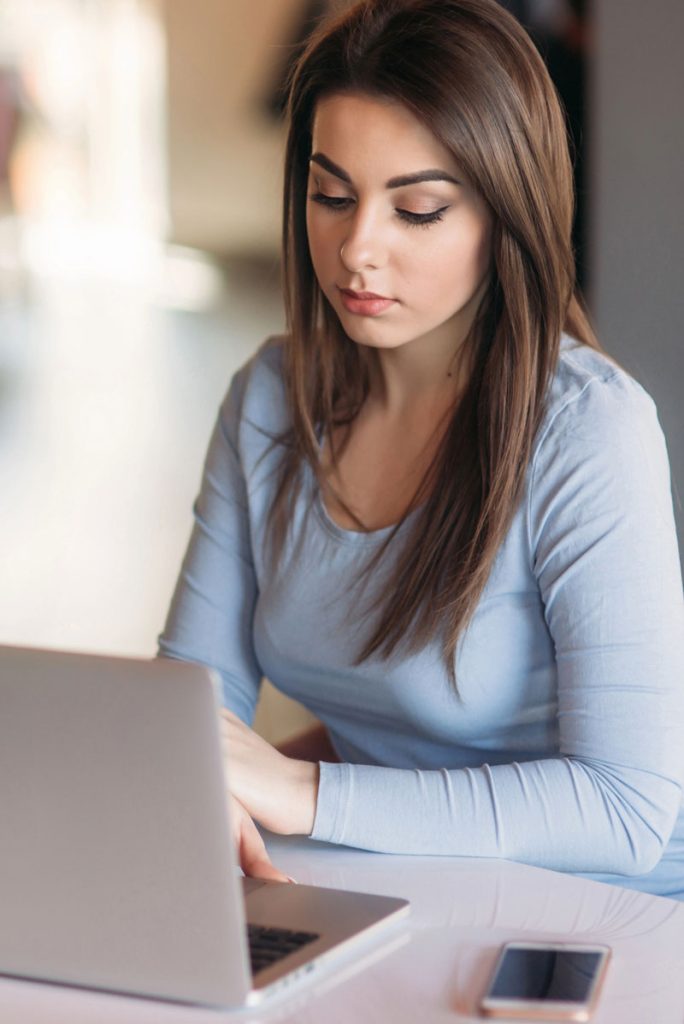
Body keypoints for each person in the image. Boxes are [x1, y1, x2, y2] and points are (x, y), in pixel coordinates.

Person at [159, 0, 684, 898]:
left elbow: (627, 811)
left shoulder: (590, 429)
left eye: (419, 210)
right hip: (389, 884)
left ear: (503, 215)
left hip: (600, 916)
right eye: (332, 195)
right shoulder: (268, 402)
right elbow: (187, 721)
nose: (358, 249)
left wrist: (299, 790)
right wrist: (194, 795)